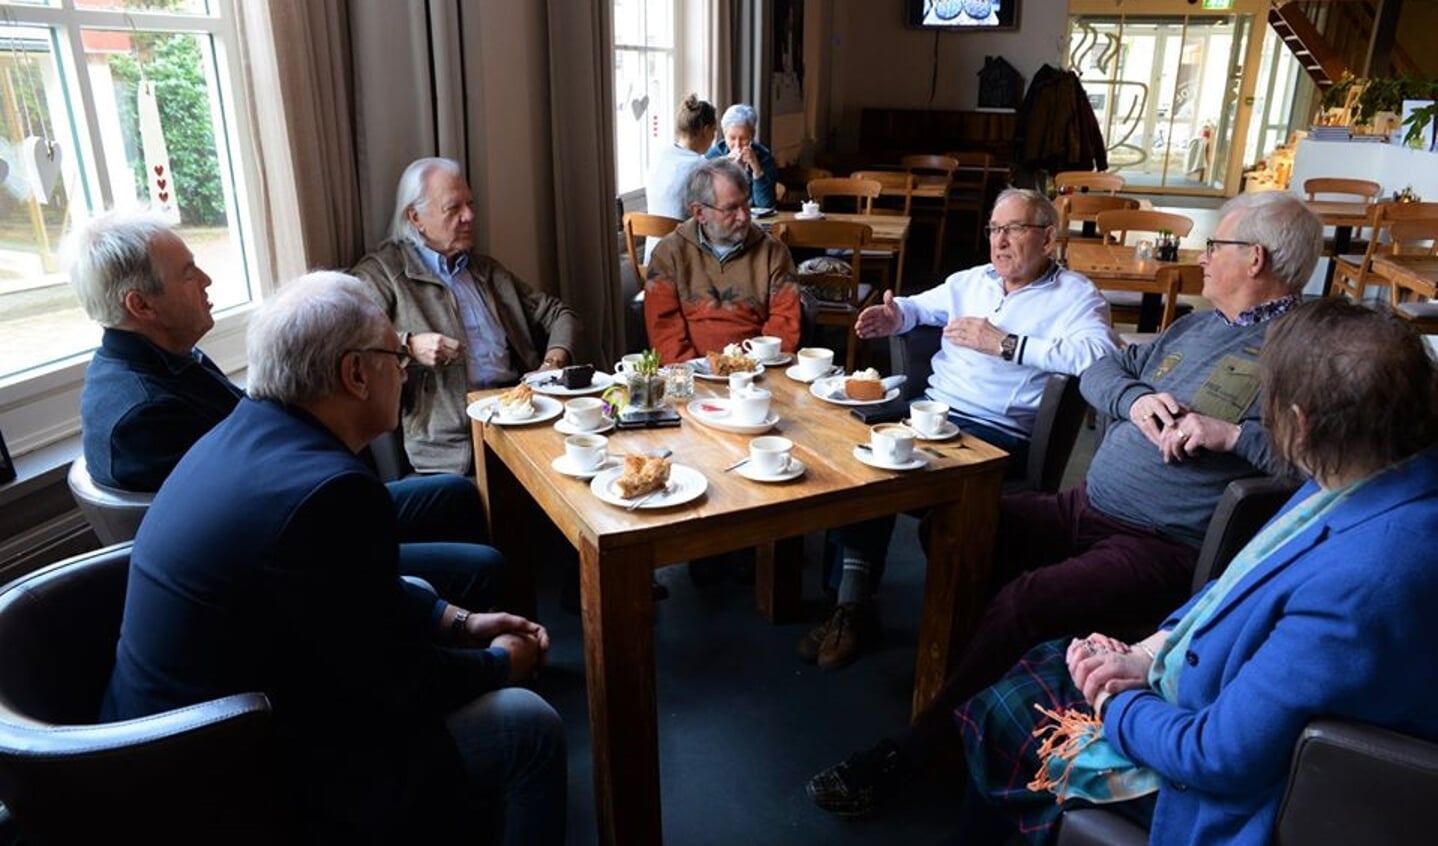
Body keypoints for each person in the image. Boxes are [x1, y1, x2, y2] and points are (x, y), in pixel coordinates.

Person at [807, 190, 1323, 817]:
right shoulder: (1195, 325)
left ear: (1256, 260)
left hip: (1160, 543)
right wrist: (1134, 400)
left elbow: (1322, 461)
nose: (1204, 257)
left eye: (1217, 246)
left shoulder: (1302, 353)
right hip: (1086, 506)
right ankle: (977, 701)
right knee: (962, 529)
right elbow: (1103, 370)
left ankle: (921, 750)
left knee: (1027, 600)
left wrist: (1233, 434)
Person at [954, 298, 1438, 845]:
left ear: (1299, 425)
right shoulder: (1365, 472)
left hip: (1232, 790)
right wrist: (1148, 651)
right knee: (1042, 660)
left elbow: (1215, 756)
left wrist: (1117, 703)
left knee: (1009, 711)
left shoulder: (1368, 578)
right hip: (1217, 688)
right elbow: (1237, 582)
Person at [101, 273, 566, 843]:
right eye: (396, 354)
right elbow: (393, 683)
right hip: (220, 776)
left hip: (172, 738)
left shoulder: (247, 433)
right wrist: (501, 663)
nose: (404, 368)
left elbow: (347, 602)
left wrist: (459, 621)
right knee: (529, 726)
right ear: (354, 374)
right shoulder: (329, 491)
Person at [68, 212, 498, 613]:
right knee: (481, 566)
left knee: (454, 493)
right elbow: (245, 526)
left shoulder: (167, 360)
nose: (206, 279)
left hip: (287, 513)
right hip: (284, 551)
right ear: (141, 306)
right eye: (187, 274)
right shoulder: (143, 416)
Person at [799, 188, 1119, 671]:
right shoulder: (972, 281)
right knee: (858, 461)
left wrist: (1008, 344)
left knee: (889, 470)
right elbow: (919, 308)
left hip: (996, 433)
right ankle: (853, 603)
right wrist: (895, 315)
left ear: (1048, 238)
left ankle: (945, 628)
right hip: (931, 414)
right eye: (994, 229)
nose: (1000, 241)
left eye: (1014, 229)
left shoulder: (1074, 296)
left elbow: (1101, 355)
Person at [352, 157, 582, 474]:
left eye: (470, 204)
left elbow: (560, 315)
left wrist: (550, 366)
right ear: (415, 216)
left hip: (522, 418)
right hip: (455, 446)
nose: (470, 216)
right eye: (453, 208)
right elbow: (349, 341)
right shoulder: (385, 273)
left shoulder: (485, 271)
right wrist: (408, 346)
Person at [644, 157, 802, 363]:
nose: (744, 216)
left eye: (746, 203)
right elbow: (663, 329)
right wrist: (694, 375)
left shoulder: (773, 252)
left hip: (757, 372)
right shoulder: (669, 254)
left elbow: (786, 322)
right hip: (690, 376)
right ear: (699, 212)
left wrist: (748, 367)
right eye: (731, 208)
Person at [643, 94, 716, 262]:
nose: (713, 139)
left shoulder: (659, 156)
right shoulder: (701, 166)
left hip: (653, 262)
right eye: (714, 132)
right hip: (684, 266)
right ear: (705, 131)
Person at [704, 103, 779, 210]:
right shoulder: (713, 156)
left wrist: (757, 170)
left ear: (752, 135)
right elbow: (707, 199)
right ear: (725, 135)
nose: (738, 144)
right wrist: (724, 165)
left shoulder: (764, 157)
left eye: (743, 138)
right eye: (732, 138)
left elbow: (765, 205)